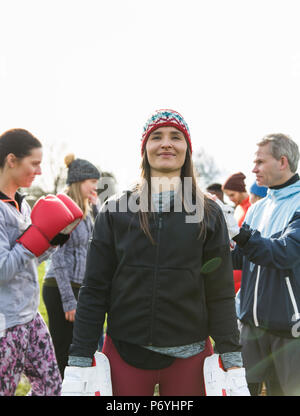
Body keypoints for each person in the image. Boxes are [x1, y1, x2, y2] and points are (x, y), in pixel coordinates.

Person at [67, 109, 246, 396]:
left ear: (186, 149)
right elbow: (95, 288)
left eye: (176, 137)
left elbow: (220, 291)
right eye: (157, 137)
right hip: (125, 351)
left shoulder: (208, 213)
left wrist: (231, 357)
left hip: (191, 355)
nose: (166, 143)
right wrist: (79, 357)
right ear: (144, 148)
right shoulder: (115, 211)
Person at [0, 129, 82, 396]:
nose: (39, 171)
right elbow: (2, 270)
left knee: (50, 386)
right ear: (12, 160)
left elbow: (27, 262)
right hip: (6, 322)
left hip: (29, 316)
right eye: (34, 163)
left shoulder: (22, 205)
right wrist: (34, 239)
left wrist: (54, 240)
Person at [231, 133, 300, 396]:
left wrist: (240, 234)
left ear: (282, 162)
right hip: (250, 326)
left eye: (260, 161)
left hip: (288, 331)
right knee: (241, 391)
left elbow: (283, 253)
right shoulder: (258, 208)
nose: (253, 168)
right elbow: (241, 257)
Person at [42, 153, 100, 378]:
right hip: (60, 289)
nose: (96, 186)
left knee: (80, 352)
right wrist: (68, 300)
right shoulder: (63, 209)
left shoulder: (85, 210)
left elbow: (98, 241)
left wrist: (96, 209)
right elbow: (57, 257)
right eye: (92, 182)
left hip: (79, 287)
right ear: (79, 181)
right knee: (64, 354)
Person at [222, 172, 251, 293]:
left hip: (244, 268)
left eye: (232, 195)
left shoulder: (252, 208)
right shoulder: (238, 209)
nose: (230, 199)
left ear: (240, 190)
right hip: (234, 265)